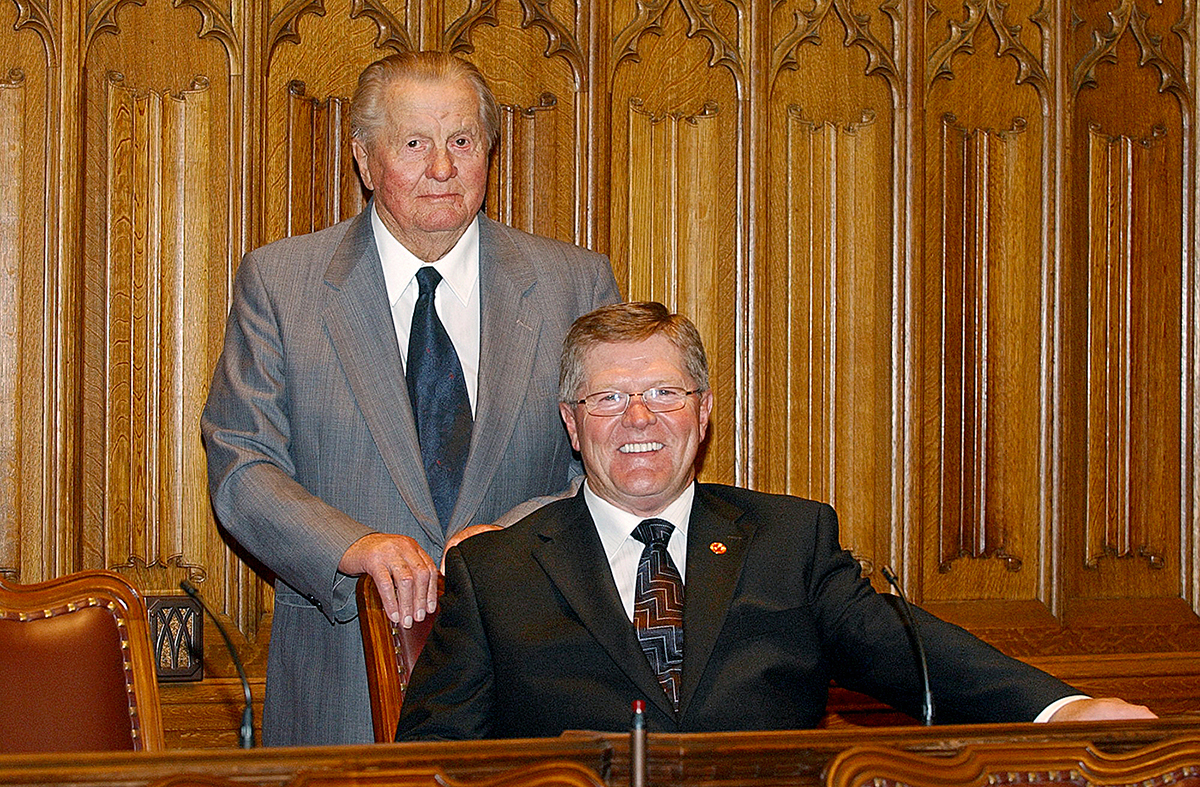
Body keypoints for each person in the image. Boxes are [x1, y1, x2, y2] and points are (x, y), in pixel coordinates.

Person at [395, 301, 1156, 739]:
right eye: (606, 399)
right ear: (571, 422)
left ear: (702, 414)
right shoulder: (493, 572)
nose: (637, 419)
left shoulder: (789, 541)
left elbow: (904, 648)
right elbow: (430, 760)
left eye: (663, 393)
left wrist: (1063, 707)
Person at [201, 51, 620, 746]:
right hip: (339, 686)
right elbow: (243, 466)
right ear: (365, 160)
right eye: (414, 144)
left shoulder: (573, 284)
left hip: (531, 684)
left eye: (461, 141)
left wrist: (516, 533)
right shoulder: (281, 284)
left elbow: (616, 465)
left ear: (489, 150)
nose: (443, 168)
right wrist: (354, 545)